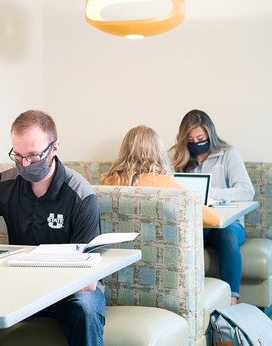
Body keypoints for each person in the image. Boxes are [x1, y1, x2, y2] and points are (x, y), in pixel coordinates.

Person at [0, 110, 104, 346]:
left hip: (69, 294)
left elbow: (88, 281)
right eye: (18, 156)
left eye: (32, 156)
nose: (25, 163)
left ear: (54, 148)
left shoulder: (79, 194)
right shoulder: (3, 185)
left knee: (87, 310)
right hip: (19, 290)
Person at [171, 109, 255, 305]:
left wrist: (209, 193)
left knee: (227, 235)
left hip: (227, 225)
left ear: (210, 134)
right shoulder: (178, 157)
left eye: (200, 137)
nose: (196, 142)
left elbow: (246, 191)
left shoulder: (228, 155)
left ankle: (232, 301)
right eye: (190, 139)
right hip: (194, 226)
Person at [99, 125, 221, 227]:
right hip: (158, 254)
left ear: (124, 150)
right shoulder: (165, 183)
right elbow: (214, 220)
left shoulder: (108, 181)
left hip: (118, 253)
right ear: (157, 151)